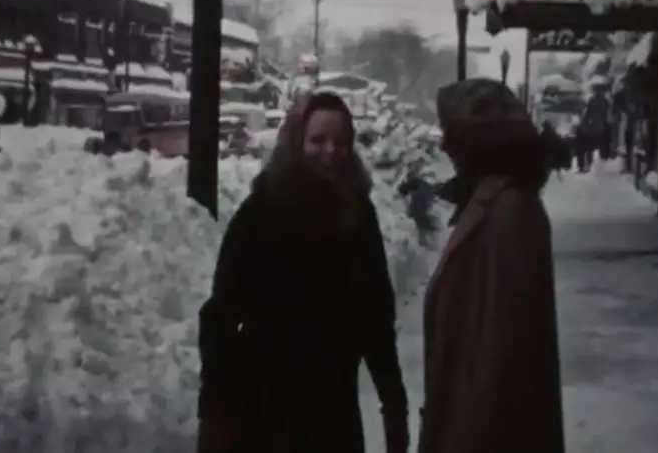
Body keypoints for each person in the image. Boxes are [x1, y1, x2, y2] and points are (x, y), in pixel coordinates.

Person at [198, 91, 409, 453]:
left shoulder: (358, 215)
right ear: (297, 142)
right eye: (318, 140)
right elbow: (221, 314)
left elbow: (375, 316)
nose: (330, 151)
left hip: (333, 415)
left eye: (340, 142)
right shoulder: (261, 212)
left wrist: (393, 405)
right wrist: (213, 409)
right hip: (262, 411)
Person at [419, 78, 564, 453]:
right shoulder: (494, 201)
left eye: (450, 132)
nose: (443, 144)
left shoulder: (508, 211)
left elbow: (503, 359)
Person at [398, 159, 437, 248]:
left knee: (423, 223)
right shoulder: (416, 182)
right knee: (422, 223)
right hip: (419, 206)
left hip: (421, 204)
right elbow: (404, 190)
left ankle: (426, 241)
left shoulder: (420, 182)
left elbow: (404, 190)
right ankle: (425, 241)